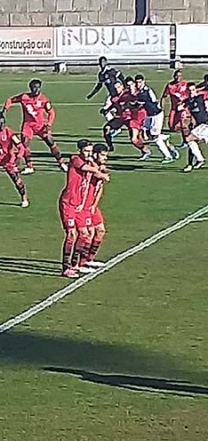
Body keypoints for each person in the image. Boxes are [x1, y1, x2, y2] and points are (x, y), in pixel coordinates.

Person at [59, 140, 111, 278]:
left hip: (79, 205)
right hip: (68, 203)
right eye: (86, 151)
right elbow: (89, 169)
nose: (88, 153)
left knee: (85, 235)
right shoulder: (75, 159)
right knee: (72, 235)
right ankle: (66, 267)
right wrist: (100, 172)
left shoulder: (90, 163)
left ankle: (78, 264)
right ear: (81, 150)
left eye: (90, 151)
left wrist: (100, 169)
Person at [3, 79, 63, 174]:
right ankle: (29, 166)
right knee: (25, 144)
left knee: (50, 141)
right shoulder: (24, 97)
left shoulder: (44, 100)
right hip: (28, 125)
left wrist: (49, 124)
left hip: (40, 125)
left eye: (38, 88)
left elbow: (51, 112)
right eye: (34, 88)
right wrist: (5, 108)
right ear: (30, 88)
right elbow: (10, 100)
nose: (36, 90)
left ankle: (61, 163)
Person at [78, 143, 111, 272]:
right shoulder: (91, 167)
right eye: (102, 155)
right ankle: (81, 262)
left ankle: (89, 259)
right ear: (95, 154)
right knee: (89, 233)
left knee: (101, 231)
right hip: (85, 206)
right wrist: (101, 171)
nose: (105, 158)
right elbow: (98, 175)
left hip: (93, 206)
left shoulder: (98, 166)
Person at [134, 74, 179, 163]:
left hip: (156, 115)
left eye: (139, 82)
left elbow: (153, 102)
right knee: (148, 134)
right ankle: (165, 138)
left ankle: (168, 156)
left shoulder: (147, 91)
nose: (138, 84)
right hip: (149, 115)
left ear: (143, 81)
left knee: (155, 137)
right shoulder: (138, 92)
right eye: (137, 83)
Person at [86, 56, 124, 122]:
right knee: (105, 111)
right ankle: (113, 126)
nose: (102, 64)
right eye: (100, 62)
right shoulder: (101, 74)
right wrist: (91, 94)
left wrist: (126, 88)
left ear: (106, 62)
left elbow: (121, 77)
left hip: (118, 95)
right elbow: (99, 86)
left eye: (103, 62)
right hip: (111, 96)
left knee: (121, 111)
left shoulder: (111, 71)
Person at [181, 82, 208, 172]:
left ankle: (199, 160)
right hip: (199, 126)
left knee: (189, 139)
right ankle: (191, 164)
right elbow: (181, 107)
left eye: (193, 90)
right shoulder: (188, 101)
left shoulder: (200, 98)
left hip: (205, 124)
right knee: (191, 142)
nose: (192, 92)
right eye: (190, 90)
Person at [161, 69, 190, 144]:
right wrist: (162, 108)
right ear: (174, 76)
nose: (178, 77)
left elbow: (190, 95)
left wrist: (184, 102)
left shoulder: (185, 84)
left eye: (179, 76)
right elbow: (164, 97)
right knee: (172, 127)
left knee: (183, 124)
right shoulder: (170, 86)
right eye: (176, 76)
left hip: (183, 108)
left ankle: (186, 141)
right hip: (174, 108)